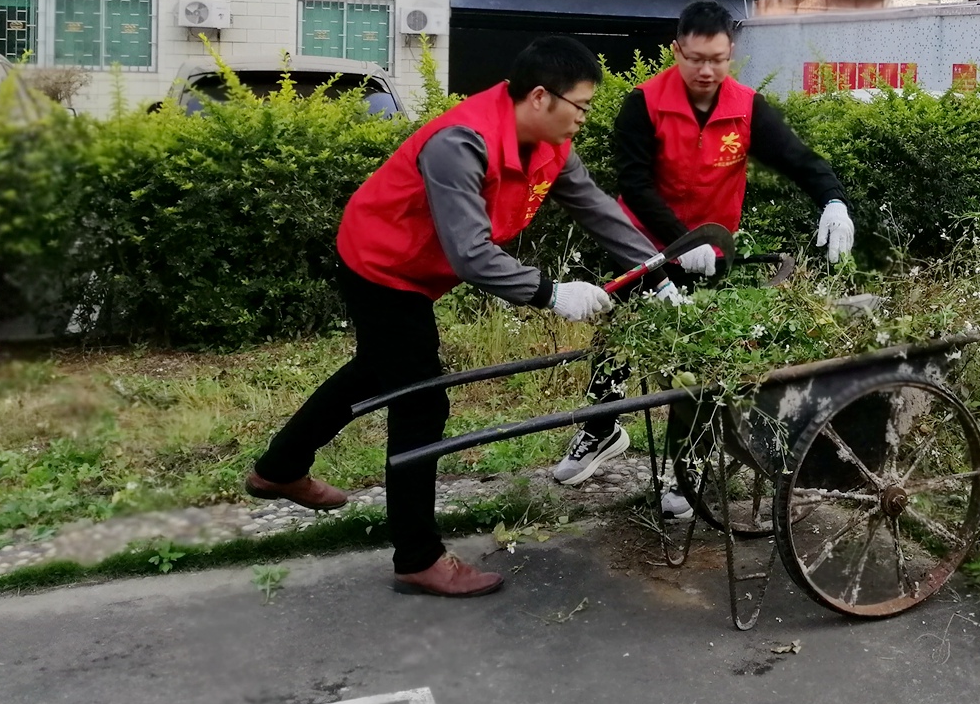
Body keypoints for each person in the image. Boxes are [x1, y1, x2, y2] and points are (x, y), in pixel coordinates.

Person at [246, 36, 681, 597]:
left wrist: (657, 271)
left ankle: (279, 468)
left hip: (418, 269)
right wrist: (551, 293)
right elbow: (471, 254)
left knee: (376, 370)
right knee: (421, 400)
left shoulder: (550, 144)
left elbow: (597, 209)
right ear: (543, 98)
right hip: (382, 263)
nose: (584, 118)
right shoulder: (462, 142)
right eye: (582, 106)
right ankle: (417, 557)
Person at [550, 0, 855, 487]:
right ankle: (602, 430)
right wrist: (677, 242)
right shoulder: (643, 104)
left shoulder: (747, 108)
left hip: (712, 255)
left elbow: (800, 160)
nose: (706, 70)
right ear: (676, 51)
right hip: (645, 246)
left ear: (731, 52)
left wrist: (833, 201)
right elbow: (636, 186)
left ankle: (686, 467)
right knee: (619, 337)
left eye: (717, 59)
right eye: (695, 59)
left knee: (699, 357)